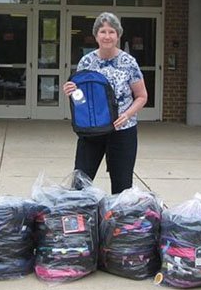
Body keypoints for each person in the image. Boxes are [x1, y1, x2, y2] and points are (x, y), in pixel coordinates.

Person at [63, 12, 148, 194]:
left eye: (112, 32)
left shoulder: (128, 62)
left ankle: (117, 221)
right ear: (96, 35)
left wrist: (126, 115)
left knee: (122, 186)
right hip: (92, 130)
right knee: (80, 183)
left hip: (122, 131)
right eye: (103, 31)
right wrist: (71, 93)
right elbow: (82, 101)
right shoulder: (86, 62)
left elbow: (142, 96)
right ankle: (80, 219)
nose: (107, 36)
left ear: (118, 35)